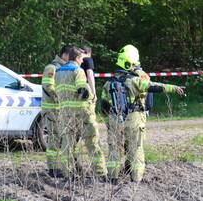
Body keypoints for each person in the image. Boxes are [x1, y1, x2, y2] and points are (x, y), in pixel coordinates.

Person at [103, 44, 184, 183]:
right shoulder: (135, 81)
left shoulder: (108, 83)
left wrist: (110, 122)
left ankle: (112, 178)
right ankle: (136, 179)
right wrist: (174, 88)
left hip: (114, 119)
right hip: (134, 119)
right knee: (136, 149)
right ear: (131, 63)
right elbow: (154, 86)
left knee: (114, 150)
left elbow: (103, 106)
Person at [50, 48, 107, 178]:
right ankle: (100, 173)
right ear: (76, 58)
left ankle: (67, 172)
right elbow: (82, 90)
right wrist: (91, 97)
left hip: (65, 113)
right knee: (92, 141)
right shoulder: (78, 70)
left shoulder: (58, 72)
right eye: (81, 58)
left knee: (67, 144)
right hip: (82, 112)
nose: (82, 61)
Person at [41, 45, 70, 175]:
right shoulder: (52, 68)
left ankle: (59, 166)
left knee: (60, 139)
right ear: (64, 55)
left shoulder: (64, 69)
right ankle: (53, 168)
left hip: (60, 110)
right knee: (54, 139)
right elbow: (48, 86)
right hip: (52, 109)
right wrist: (61, 97)